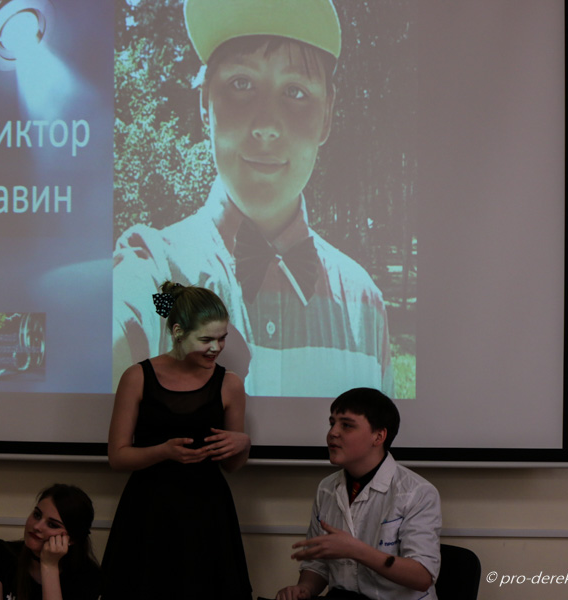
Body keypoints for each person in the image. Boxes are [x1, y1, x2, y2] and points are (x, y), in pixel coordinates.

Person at [112, 0, 393, 399]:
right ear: (205, 104)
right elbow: (124, 321)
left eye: (295, 91)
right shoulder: (156, 273)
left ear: (327, 116)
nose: (266, 125)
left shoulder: (367, 307)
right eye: (241, 84)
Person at [100, 281, 253, 600]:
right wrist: (163, 451)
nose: (216, 348)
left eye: (222, 338)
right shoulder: (137, 377)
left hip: (208, 513)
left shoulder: (230, 384)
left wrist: (242, 444)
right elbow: (118, 456)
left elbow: (231, 466)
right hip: (148, 511)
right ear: (179, 333)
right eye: (206, 339)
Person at [273, 388, 441, 600]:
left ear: (378, 436)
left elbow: (422, 576)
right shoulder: (327, 488)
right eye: (332, 423)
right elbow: (318, 564)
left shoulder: (417, 492)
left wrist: (355, 550)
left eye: (346, 425)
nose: (333, 433)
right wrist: (304, 588)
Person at [0, 483, 100, 600]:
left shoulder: (88, 577)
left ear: (71, 539)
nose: (37, 526)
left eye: (52, 525)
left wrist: (49, 566)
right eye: (37, 515)